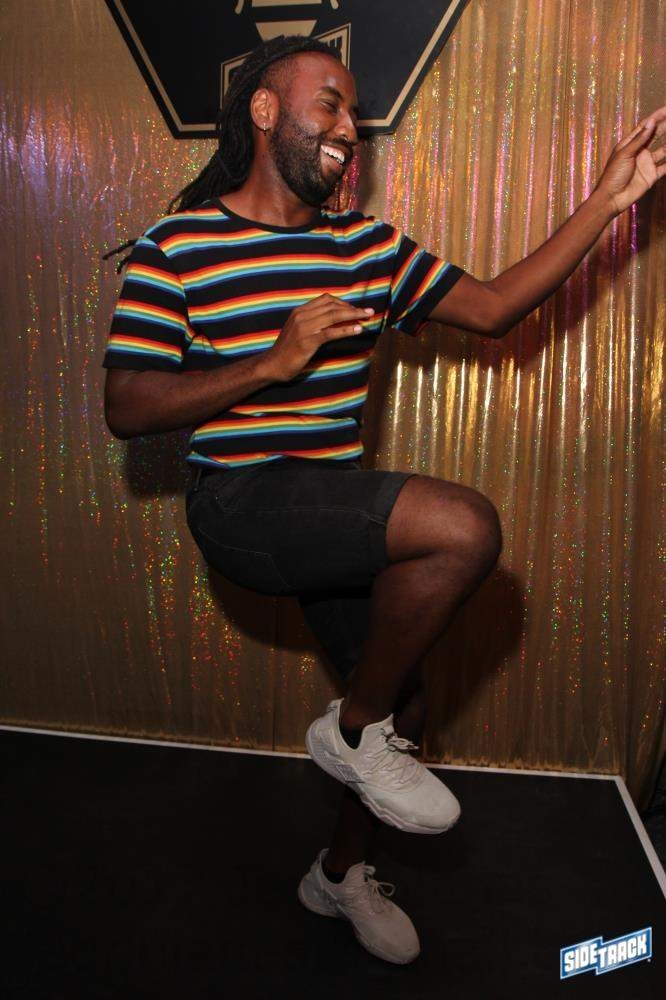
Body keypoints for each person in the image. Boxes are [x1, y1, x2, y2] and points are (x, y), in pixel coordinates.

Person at [102, 34, 665, 965]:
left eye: (356, 114)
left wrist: (607, 201)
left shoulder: (364, 246)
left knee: (408, 709)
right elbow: (127, 407)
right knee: (463, 526)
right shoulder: (180, 246)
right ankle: (352, 730)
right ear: (264, 111)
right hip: (239, 506)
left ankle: (339, 873)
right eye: (329, 102)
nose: (348, 127)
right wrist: (274, 362)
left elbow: (494, 308)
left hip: (330, 510)